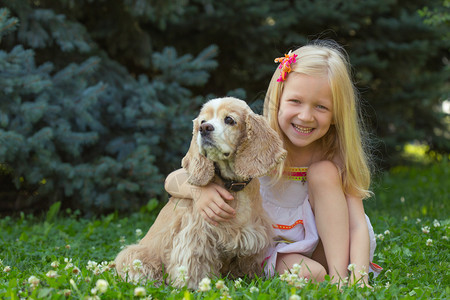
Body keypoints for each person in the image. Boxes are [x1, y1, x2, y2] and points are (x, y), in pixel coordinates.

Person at [164, 40, 381, 285]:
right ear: (278, 99)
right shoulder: (258, 141)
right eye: (295, 101)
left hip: (328, 247)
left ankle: (340, 278)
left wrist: (358, 279)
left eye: (321, 106)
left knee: (324, 172)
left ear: (336, 115)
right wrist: (198, 191)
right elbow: (173, 179)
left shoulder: (333, 153)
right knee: (312, 274)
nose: (305, 116)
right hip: (271, 248)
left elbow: (356, 226)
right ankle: (326, 276)